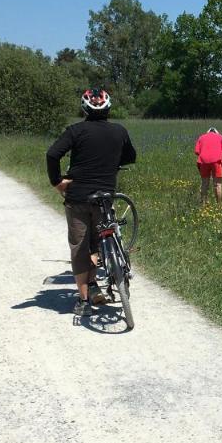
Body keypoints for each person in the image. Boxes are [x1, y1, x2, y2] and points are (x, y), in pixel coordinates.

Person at [46, 89, 137, 315]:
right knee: (99, 240)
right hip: (105, 196)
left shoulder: (75, 131)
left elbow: (52, 154)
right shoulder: (119, 131)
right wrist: (111, 162)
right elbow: (131, 157)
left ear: (85, 108)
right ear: (108, 108)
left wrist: (57, 182)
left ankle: (84, 300)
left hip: (78, 197)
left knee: (80, 246)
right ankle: (96, 282)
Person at [194, 126, 222, 204]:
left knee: (204, 183)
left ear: (208, 132)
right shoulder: (220, 137)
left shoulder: (201, 137)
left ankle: (203, 203)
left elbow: (196, 151)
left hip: (203, 161)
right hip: (217, 161)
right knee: (217, 184)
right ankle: (219, 205)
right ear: (216, 132)